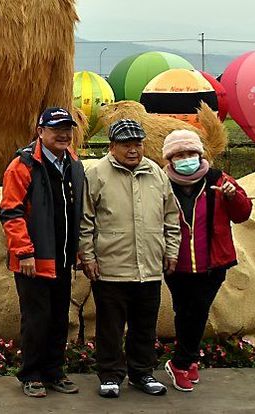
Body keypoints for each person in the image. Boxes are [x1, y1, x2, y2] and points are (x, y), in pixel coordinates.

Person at [79, 118, 180, 398]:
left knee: (145, 325)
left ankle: (142, 374)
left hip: (148, 267)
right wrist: (87, 256)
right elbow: (85, 219)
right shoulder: (97, 173)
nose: (133, 150)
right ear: (112, 146)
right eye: (126, 144)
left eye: (138, 144)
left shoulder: (157, 174)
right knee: (110, 327)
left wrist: (171, 251)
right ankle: (110, 375)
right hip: (110, 267)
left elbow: (171, 217)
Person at [0, 107, 86, 398]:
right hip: (33, 260)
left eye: (67, 129)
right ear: (40, 132)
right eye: (56, 129)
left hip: (62, 257)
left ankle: (54, 372)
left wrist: (77, 251)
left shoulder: (73, 163)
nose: (63, 134)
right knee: (37, 319)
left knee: (60, 318)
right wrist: (24, 252)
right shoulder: (22, 165)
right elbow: (11, 212)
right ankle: (32, 374)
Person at [160, 129, 252, 391]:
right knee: (184, 311)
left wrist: (234, 197)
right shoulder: (162, 184)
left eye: (190, 153)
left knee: (198, 311)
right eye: (179, 154)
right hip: (176, 263)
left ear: (200, 153)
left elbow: (242, 215)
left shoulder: (219, 180)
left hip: (213, 263)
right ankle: (188, 359)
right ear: (169, 158)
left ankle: (180, 362)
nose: (186, 158)